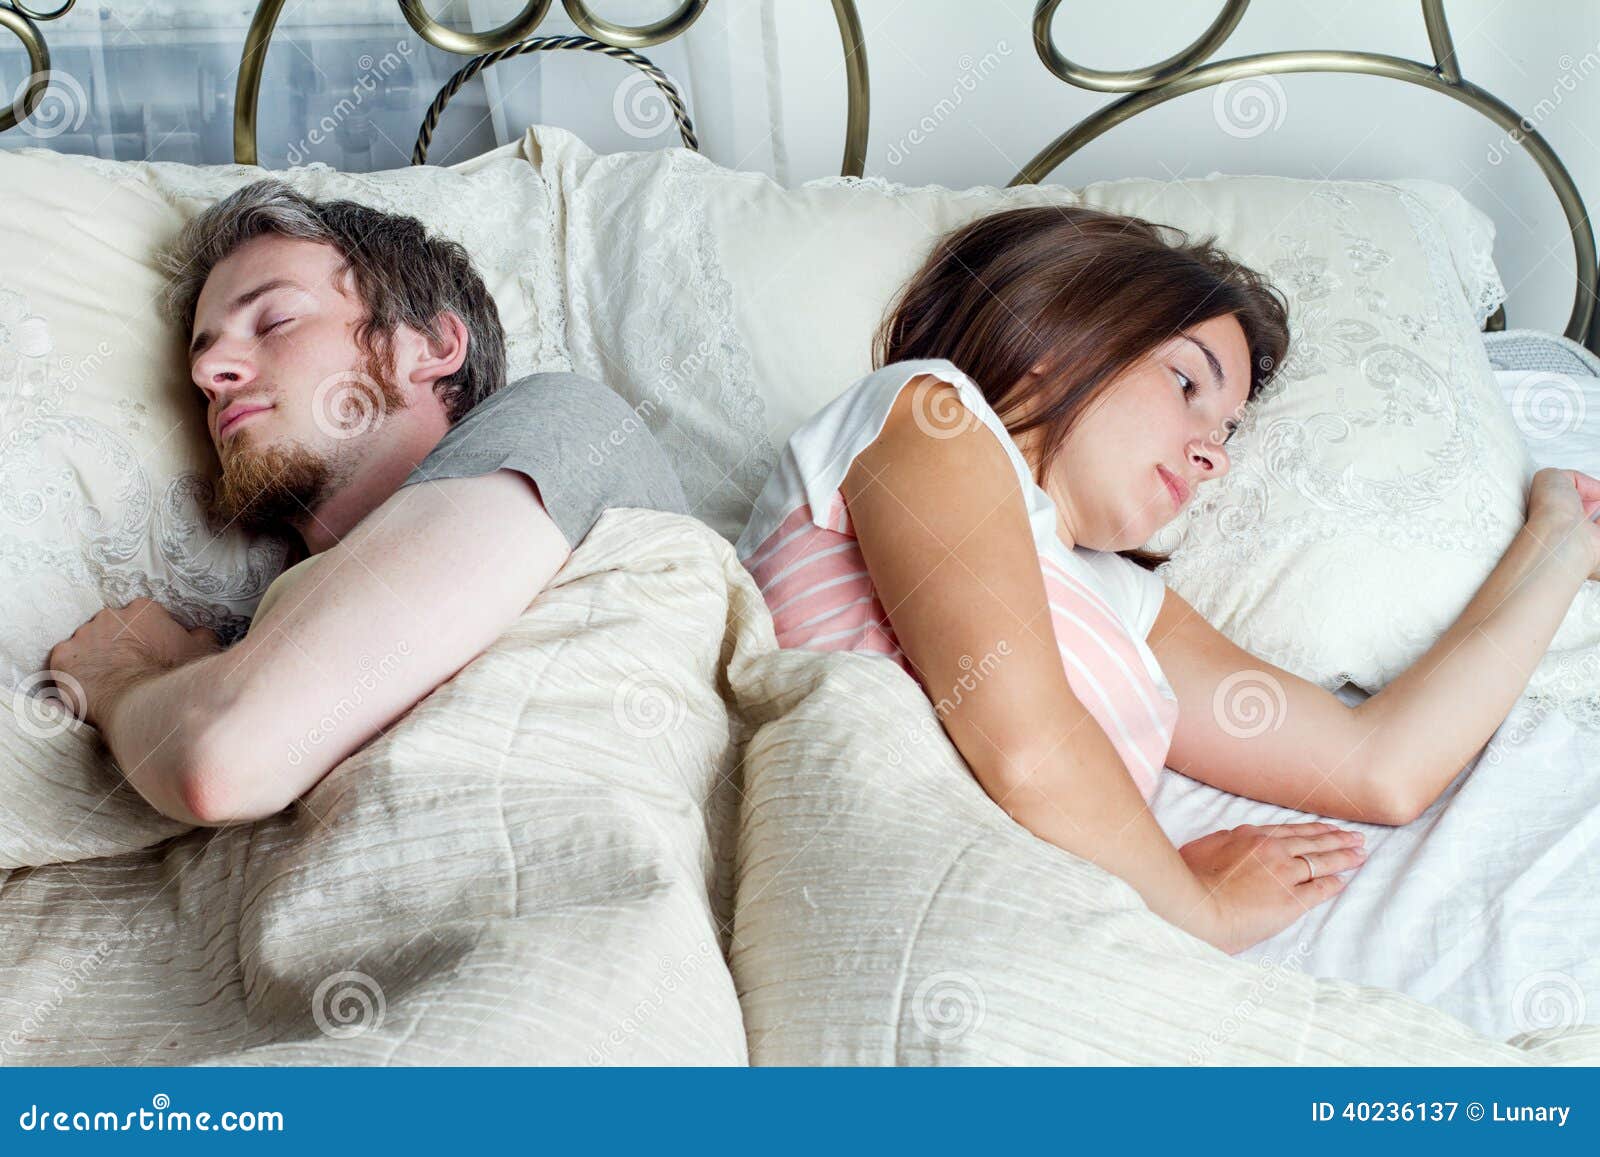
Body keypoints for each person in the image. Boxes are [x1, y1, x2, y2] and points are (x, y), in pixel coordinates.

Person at [736, 204, 1600, 955]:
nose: (1213, 451)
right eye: (1187, 381)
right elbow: (1026, 744)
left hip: (1034, 944)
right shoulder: (925, 411)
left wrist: (1557, 541)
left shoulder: (1127, 604)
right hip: (862, 906)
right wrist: (1199, 909)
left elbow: (1383, 767)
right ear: (1053, 334)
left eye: (1225, 426)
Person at [46, 179, 687, 828]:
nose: (209, 375)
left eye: (274, 321)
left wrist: (119, 675)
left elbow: (223, 755)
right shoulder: (252, 639)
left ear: (432, 347)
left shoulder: (565, 425)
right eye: (204, 355)